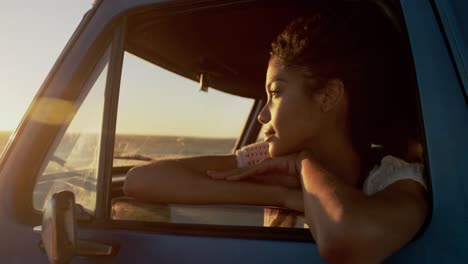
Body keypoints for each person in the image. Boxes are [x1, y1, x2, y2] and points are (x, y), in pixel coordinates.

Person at [124, 5, 428, 263]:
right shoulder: (266, 162)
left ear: (328, 96)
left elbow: (344, 239)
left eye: (276, 93)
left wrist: (304, 165)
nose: (263, 114)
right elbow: (140, 181)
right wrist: (283, 195)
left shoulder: (395, 178)